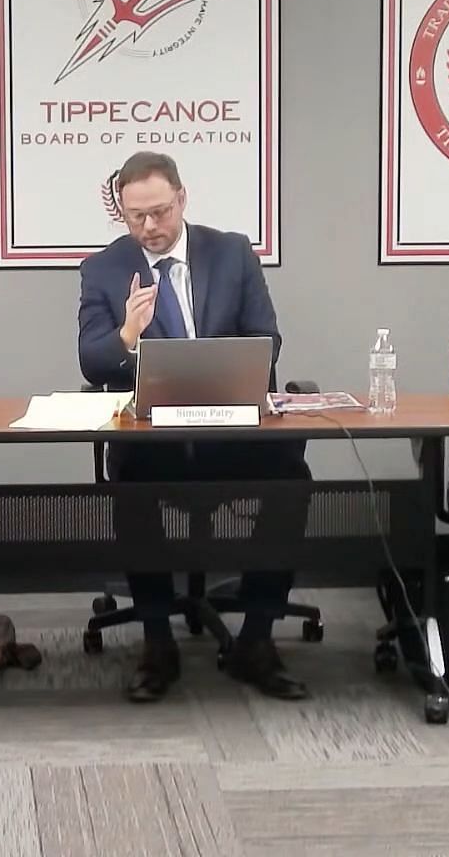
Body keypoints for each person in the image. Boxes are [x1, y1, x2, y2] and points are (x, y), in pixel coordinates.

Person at [78, 152, 309, 703]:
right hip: (153, 437)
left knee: (292, 479)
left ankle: (256, 638)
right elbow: (90, 361)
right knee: (132, 483)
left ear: (181, 198)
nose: (149, 227)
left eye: (158, 212)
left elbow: (267, 339)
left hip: (230, 429)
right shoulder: (105, 268)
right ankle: (158, 642)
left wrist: (221, 369)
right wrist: (129, 334)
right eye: (135, 217)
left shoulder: (231, 252)